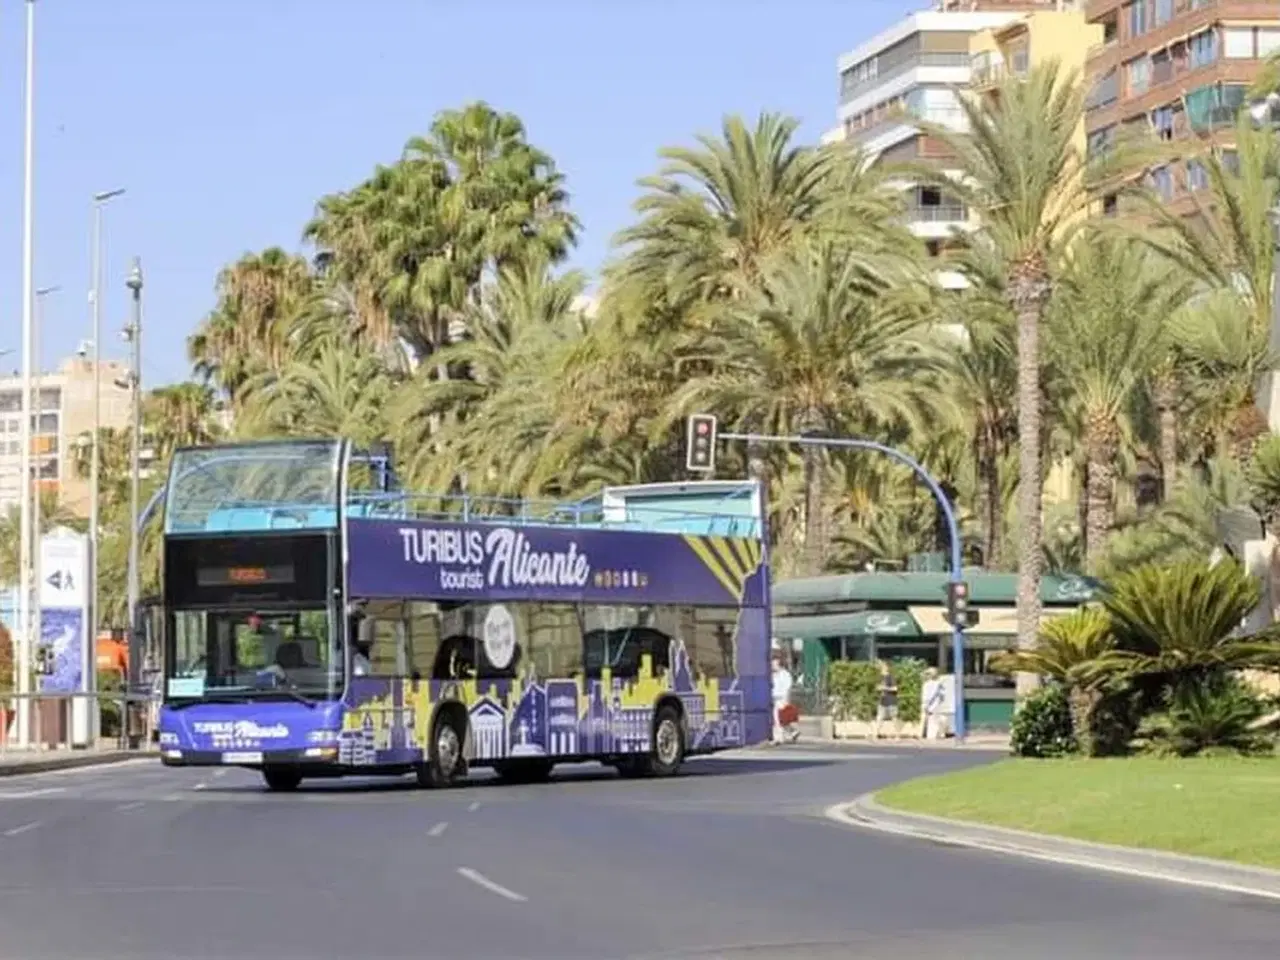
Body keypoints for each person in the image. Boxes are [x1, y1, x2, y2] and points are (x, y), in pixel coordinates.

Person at [771, 653, 799, 744]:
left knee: (779, 718)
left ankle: (780, 738)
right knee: (780, 718)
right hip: (775, 698)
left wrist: (786, 699)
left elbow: (787, 687)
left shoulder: (785, 674)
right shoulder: (774, 675)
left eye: (774, 664)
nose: (772, 666)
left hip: (781, 698)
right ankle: (792, 732)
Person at [873, 661, 899, 740]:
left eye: (883, 667)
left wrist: (885, 688)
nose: (882, 669)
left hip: (891, 700)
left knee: (894, 718)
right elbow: (877, 687)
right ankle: (876, 734)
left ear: (887, 668)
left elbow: (895, 688)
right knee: (879, 717)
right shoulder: (880, 677)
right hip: (882, 700)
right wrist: (878, 688)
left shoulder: (890, 677)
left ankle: (897, 735)